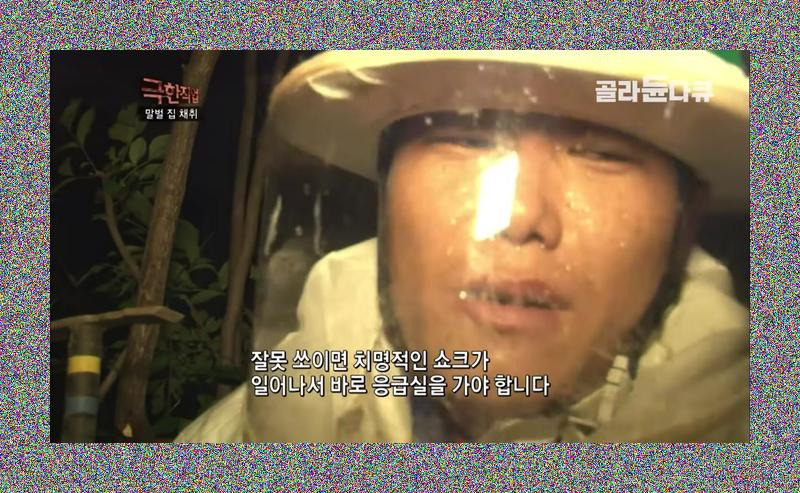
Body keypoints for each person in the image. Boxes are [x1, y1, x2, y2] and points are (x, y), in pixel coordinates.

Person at [176, 50, 749, 443]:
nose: (520, 217)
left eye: (603, 153)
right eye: (467, 139)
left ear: (683, 220)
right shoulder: (258, 422)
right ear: (387, 191)